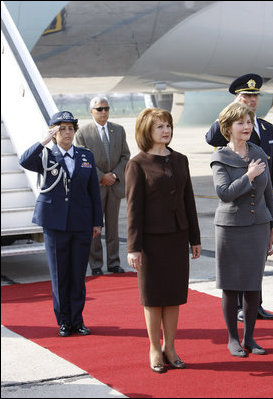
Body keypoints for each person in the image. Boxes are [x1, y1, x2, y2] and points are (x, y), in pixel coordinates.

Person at [125, 108, 201, 373]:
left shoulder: (180, 160)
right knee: (153, 297)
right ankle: (155, 349)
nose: (166, 130)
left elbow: (188, 200)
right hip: (150, 242)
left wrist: (194, 237)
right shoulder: (137, 164)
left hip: (177, 237)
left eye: (168, 125)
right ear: (147, 131)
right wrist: (133, 247)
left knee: (174, 296)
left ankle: (171, 346)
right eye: (159, 127)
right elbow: (133, 209)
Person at [19, 111, 103, 337]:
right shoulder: (46, 155)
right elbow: (24, 160)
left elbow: (93, 191)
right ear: (54, 132)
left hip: (81, 223)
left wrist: (97, 221)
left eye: (70, 129)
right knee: (59, 274)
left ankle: (78, 320)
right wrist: (44, 141)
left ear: (75, 132)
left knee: (77, 274)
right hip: (55, 224)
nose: (67, 133)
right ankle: (64, 321)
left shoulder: (85, 156)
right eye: (61, 129)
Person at [205, 73, 273, 321]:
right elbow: (211, 138)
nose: (251, 100)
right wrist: (231, 109)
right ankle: (240, 307)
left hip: (260, 206)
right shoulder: (228, 130)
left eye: (254, 96)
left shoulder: (268, 129)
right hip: (237, 209)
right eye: (246, 96)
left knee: (257, 262)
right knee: (238, 266)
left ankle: (255, 305)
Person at [75, 96, 130, 276]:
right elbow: (81, 159)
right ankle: (96, 264)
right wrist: (101, 177)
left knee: (113, 227)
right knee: (95, 227)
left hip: (114, 186)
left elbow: (125, 156)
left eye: (106, 108)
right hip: (95, 187)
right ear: (91, 111)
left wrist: (114, 175)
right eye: (99, 109)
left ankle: (114, 262)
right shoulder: (83, 132)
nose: (104, 112)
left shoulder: (118, 130)